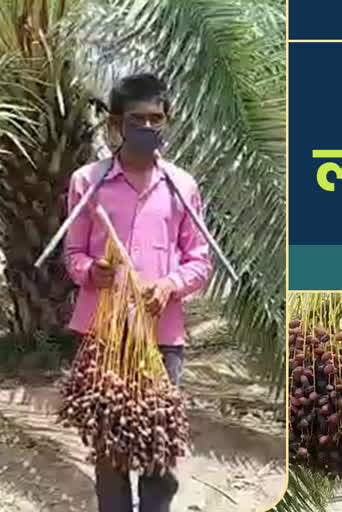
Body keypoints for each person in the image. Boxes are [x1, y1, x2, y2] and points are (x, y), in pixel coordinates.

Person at [63, 73, 212, 512]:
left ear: (167, 121)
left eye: (156, 119)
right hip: (103, 336)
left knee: (158, 457)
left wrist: (169, 285)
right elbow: (72, 255)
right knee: (110, 455)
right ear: (115, 124)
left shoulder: (182, 187)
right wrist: (94, 271)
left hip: (161, 339)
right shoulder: (87, 182)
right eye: (136, 119)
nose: (148, 128)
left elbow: (199, 260)